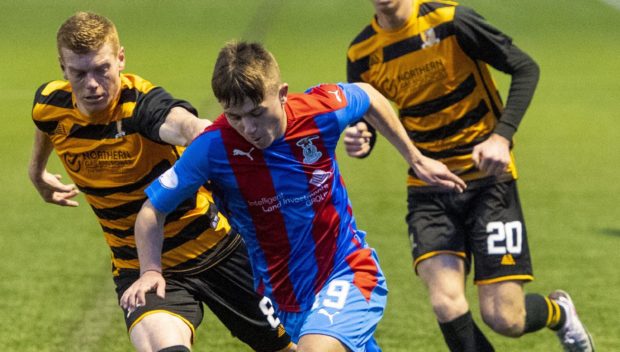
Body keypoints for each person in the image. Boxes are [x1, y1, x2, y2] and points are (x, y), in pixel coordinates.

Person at [120, 41, 466, 352]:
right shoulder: (213, 147)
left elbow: (368, 94)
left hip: (348, 271)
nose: (249, 128)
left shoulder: (318, 112)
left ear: (282, 93)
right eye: (235, 116)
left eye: (257, 113)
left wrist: (415, 158)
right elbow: (152, 209)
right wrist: (150, 269)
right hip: (283, 298)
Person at [29, 12, 295, 352]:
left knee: (289, 348)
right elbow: (45, 124)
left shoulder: (141, 103)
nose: (92, 84)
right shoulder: (51, 103)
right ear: (63, 69)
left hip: (217, 249)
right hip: (142, 267)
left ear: (120, 59)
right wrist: (36, 172)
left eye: (102, 69)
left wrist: (201, 132)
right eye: (79, 73)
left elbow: (181, 123)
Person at [344, 0, 595, 351]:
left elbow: (525, 67)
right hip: (428, 187)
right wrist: (360, 137)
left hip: (489, 182)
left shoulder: (451, 20)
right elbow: (368, 115)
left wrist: (501, 137)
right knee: (446, 303)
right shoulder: (361, 52)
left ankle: (560, 313)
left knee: (505, 318)